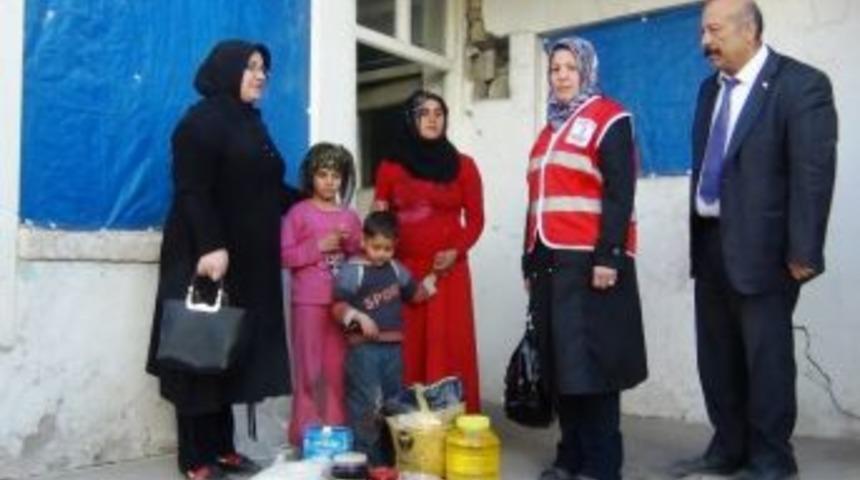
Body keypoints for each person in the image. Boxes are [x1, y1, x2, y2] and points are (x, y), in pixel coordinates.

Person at [672, 1, 837, 479]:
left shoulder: (800, 85)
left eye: (715, 30)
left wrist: (805, 249)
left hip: (767, 252)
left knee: (766, 363)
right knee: (718, 358)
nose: (706, 41)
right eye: (703, 31)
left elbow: (812, 172)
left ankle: (771, 460)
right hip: (711, 244)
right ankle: (728, 448)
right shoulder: (709, 91)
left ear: (750, 30)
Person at [146, 39, 301, 480]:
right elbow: (192, 190)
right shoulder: (201, 123)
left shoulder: (250, 123)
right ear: (227, 69)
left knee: (230, 350)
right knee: (199, 349)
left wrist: (310, 201)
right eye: (250, 67)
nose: (261, 75)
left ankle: (224, 448)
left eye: (263, 68)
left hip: (247, 259)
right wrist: (211, 247)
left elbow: (267, 188)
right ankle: (195, 458)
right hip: (204, 255)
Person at [524, 37, 647, 480]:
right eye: (554, 68)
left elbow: (620, 193)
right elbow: (536, 201)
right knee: (562, 367)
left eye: (569, 67)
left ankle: (600, 465)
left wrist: (609, 256)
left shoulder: (609, 118)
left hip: (591, 262)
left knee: (595, 368)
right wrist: (529, 260)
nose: (560, 75)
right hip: (550, 261)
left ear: (586, 71)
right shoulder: (548, 130)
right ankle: (569, 457)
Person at [373, 90, 485, 413]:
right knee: (409, 348)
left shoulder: (464, 166)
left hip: (449, 273)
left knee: (450, 345)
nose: (433, 118)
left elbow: (476, 220)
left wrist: (456, 249)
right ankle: (409, 425)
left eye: (439, 112)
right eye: (424, 113)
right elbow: (379, 218)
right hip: (405, 272)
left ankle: (454, 421)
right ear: (411, 119)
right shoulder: (391, 168)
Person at [331, 211, 434, 466]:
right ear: (364, 242)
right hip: (363, 350)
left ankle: (390, 461)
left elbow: (414, 294)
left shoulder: (397, 269)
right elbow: (336, 306)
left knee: (393, 402)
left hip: (393, 350)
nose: (381, 253)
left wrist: (431, 284)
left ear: (394, 246)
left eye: (388, 248)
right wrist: (358, 317)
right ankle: (367, 461)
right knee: (366, 404)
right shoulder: (353, 270)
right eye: (376, 247)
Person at [280, 143, 363, 448]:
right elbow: (284, 256)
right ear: (310, 178)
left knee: (337, 369)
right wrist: (319, 245)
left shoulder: (351, 217)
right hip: (308, 304)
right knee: (309, 369)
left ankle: (336, 433)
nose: (330, 181)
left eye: (336, 175)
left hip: (341, 305)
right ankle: (307, 435)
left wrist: (352, 245)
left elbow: (359, 256)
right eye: (323, 174)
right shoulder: (298, 214)